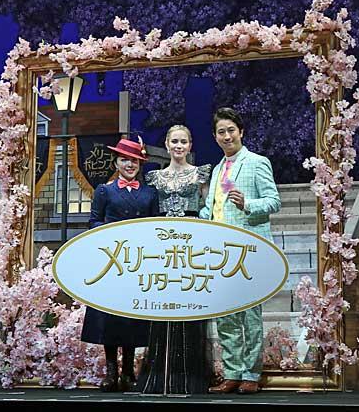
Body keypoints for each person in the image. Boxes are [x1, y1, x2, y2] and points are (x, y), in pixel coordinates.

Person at [200, 107, 280, 395]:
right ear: (215, 136)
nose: (226, 136)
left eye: (231, 130)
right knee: (225, 316)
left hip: (249, 250)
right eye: (221, 132)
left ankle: (251, 374)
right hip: (220, 251)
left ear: (241, 132)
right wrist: (196, 219)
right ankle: (232, 373)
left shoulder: (257, 162)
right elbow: (211, 208)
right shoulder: (217, 169)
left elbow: (273, 201)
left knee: (250, 316)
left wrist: (248, 204)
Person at [80, 137, 160, 392]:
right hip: (111, 260)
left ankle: (128, 372)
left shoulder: (149, 193)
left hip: (137, 261)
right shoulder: (105, 191)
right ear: (116, 162)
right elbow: (94, 221)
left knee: (132, 316)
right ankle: (111, 371)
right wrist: (112, 233)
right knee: (110, 316)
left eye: (134, 161)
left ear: (140, 164)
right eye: (124, 160)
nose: (129, 165)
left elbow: (155, 226)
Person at [137, 124, 212, 395]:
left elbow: (209, 208)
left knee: (189, 303)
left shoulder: (201, 174)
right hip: (163, 245)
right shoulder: (155, 177)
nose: (179, 146)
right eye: (174, 142)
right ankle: (160, 374)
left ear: (190, 145)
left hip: (191, 244)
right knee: (164, 303)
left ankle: (190, 375)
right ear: (167, 145)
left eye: (183, 142)